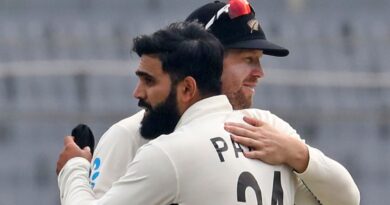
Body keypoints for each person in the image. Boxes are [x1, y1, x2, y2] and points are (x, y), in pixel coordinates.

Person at [88, 1, 360, 204]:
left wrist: (299, 154)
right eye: (247, 59)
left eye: (259, 60)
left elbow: (345, 198)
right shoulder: (128, 136)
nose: (259, 73)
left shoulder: (266, 133)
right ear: (208, 57)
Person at [57, 21, 298, 204]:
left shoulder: (167, 153)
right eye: (247, 59)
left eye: (149, 81)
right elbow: (335, 191)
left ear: (187, 88)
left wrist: (74, 167)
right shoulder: (273, 130)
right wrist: (302, 157)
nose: (137, 93)